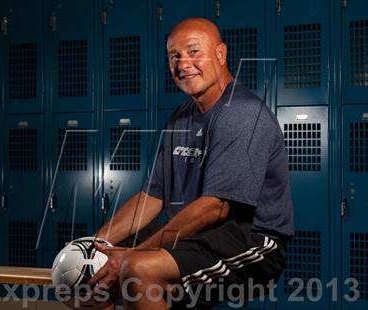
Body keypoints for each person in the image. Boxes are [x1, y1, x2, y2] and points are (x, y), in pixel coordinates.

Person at [89, 17, 294, 309]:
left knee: (139, 269)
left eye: (194, 51)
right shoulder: (181, 116)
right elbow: (152, 196)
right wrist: (92, 244)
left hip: (253, 241)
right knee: (87, 274)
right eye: (175, 56)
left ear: (221, 54)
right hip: (200, 234)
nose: (183, 64)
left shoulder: (243, 114)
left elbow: (215, 206)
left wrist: (132, 255)